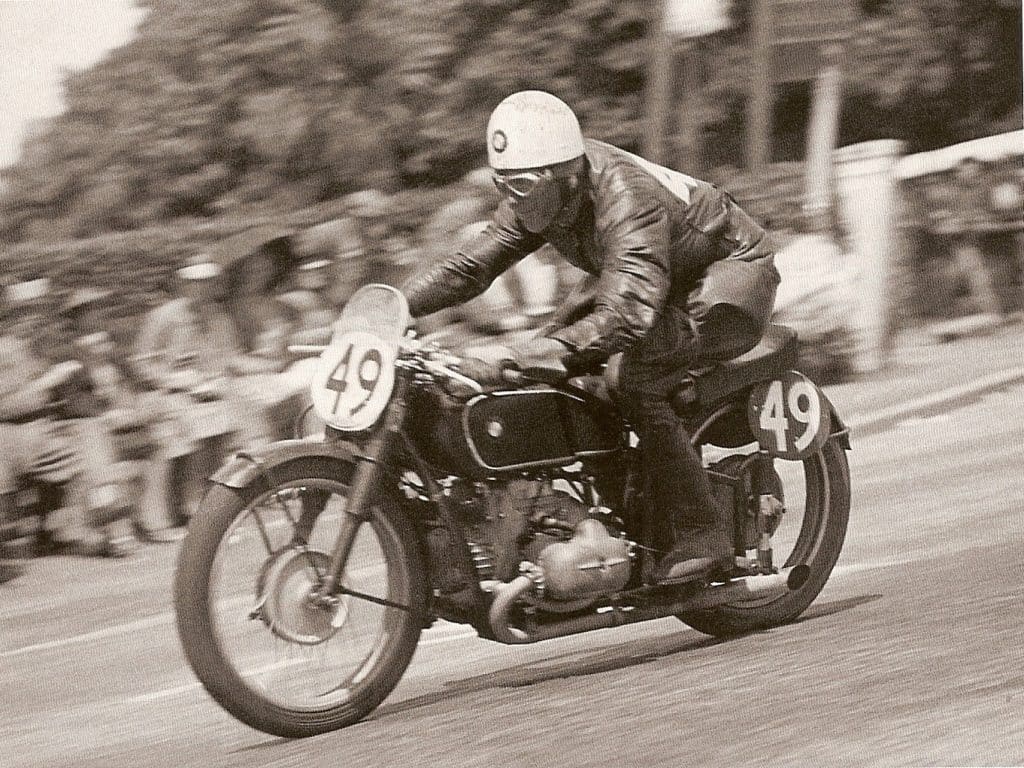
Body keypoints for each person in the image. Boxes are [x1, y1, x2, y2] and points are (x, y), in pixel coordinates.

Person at [402, 91, 779, 584]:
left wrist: (517, 355)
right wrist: (393, 304)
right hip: (652, 278)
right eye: (503, 185)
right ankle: (614, 511)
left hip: (724, 279)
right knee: (550, 375)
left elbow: (625, 315)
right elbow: (471, 267)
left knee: (633, 379)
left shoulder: (625, 196)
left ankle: (702, 531)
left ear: (563, 172)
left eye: (521, 185)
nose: (512, 198)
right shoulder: (538, 192)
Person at [0, 277, 132, 562]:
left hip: (45, 428)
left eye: (36, 313)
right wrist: (48, 383)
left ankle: (101, 521)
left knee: (89, 433)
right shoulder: (6, 351)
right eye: (26, 313)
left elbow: (80, 392)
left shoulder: (36, 348)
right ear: (13, 316)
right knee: (86, 441)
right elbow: (6, 406)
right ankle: (99, 524)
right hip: (17, 436)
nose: (33, 320)